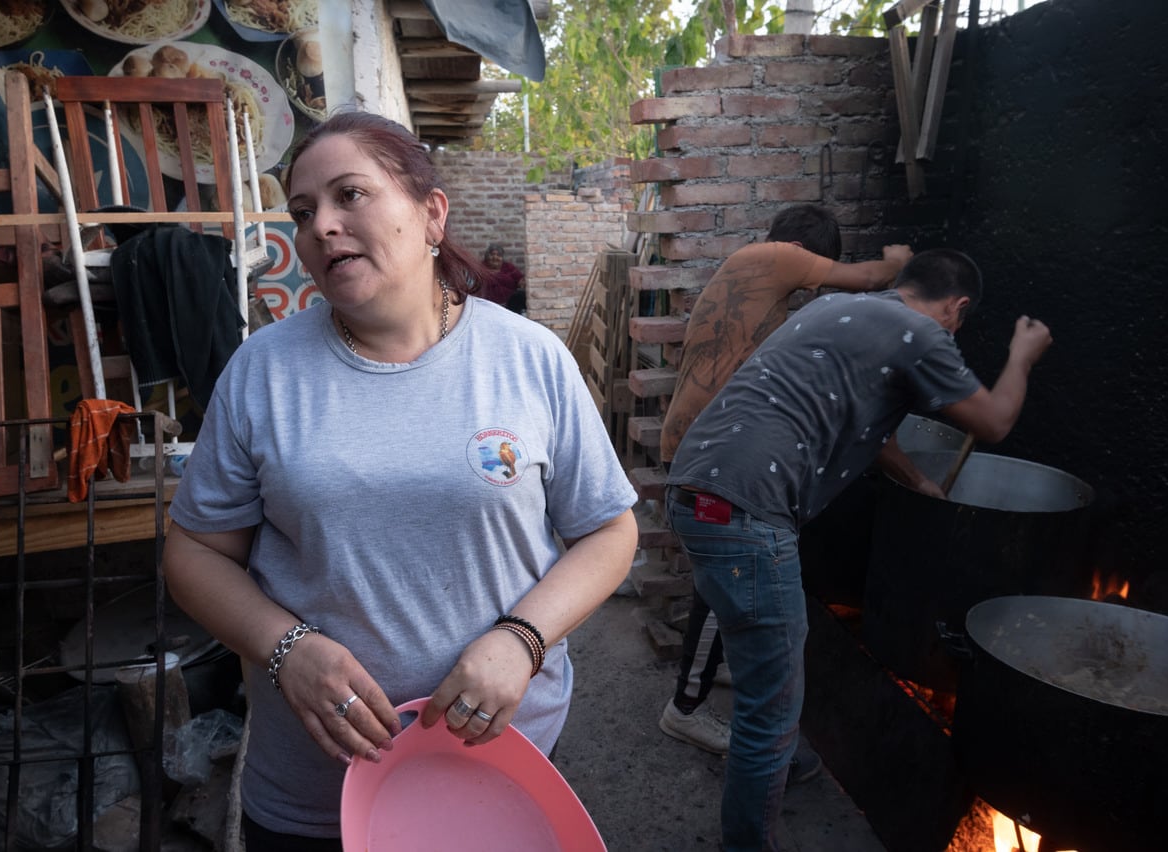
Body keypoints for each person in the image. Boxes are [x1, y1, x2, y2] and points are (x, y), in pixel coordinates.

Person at [162, 111, 639, 850]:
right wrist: (286, 647)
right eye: (303, 211)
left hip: (496, 769)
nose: (322, 225)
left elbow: (609, 530)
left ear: (431, 214)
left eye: (351, 194)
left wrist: (522, 639)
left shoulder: (530, 359)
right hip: (314, 792)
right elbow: (193, 554)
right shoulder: (263, 372)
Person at [665, 248, 1052, 851]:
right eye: (959, 322)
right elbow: (996, 422)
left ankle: (781, 761)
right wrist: (1021, 355)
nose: (952, 332)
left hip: (697, 490)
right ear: (958, 307)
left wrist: (917, 481)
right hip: (749, 510)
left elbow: (868, 429)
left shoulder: (840, 310)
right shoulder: (922, 332)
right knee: (771, 704)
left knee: (765, 660)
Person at [657, 205, 914, 762]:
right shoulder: (775, 258)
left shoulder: (755, 285)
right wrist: (900, 262)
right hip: (710, 465)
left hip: (706, 451)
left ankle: (706, 677)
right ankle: (686, 710)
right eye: (818, 267)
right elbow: (870, 279)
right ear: (805, 252)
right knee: (714, 587)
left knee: (724, 581)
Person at [481, 242, 527, 313]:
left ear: (502, 258)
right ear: (486, 256)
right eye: (492, 254)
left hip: (509, 305)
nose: (495, 257)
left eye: (498, 255)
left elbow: (520, 280)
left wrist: (523, 282)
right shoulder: (480, 268)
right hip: (488, 305)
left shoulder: (508, 267)